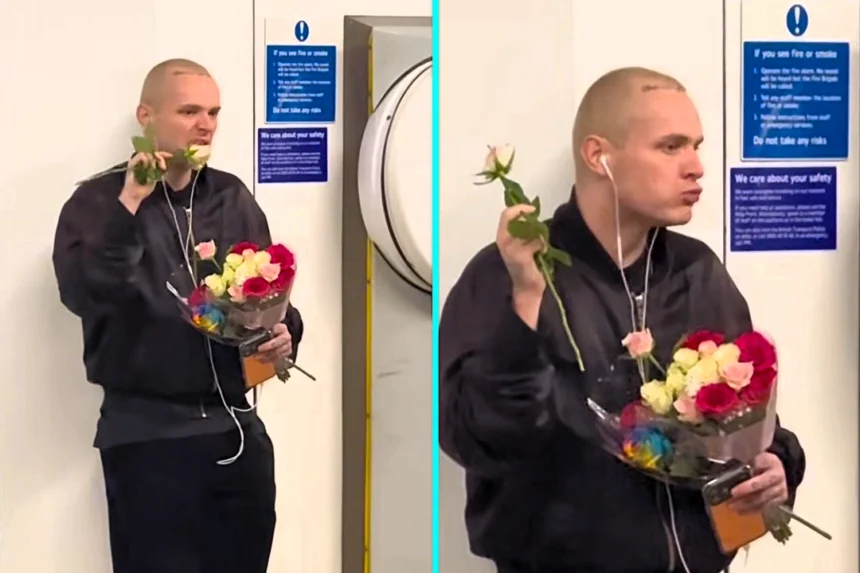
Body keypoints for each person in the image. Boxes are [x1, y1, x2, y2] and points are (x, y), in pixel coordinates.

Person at [439, 67, 806, 573]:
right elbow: (477, 438)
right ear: (599, 156)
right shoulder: (511, 272)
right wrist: (527, 298)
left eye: (696, 145)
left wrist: (778, 463)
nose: (697, 166)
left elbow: (747, 423)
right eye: (671, 146)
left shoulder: (699, 274)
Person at [52, 59, 303, 573]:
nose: (205, 124)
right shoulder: (98, 201)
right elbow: (85, 293)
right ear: (146, 115)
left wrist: (285, 333)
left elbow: (267, 296)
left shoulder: (230, 196)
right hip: (149, 440)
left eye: (213, 111)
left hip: (238, 434)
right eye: (189, 110)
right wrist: (131, 200)